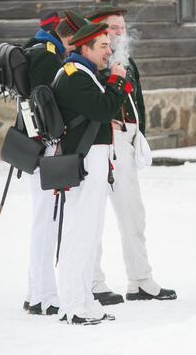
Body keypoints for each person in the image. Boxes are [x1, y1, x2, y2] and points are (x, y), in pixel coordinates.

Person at [86, 7, 175, 305]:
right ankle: (93, 281)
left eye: (122, 27)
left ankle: (139, 279)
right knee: (93, 215)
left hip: (125, 142)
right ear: (98, 32)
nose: (119, 32)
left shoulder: (128, 62)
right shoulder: (91, 63)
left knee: (133, 214)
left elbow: (138, 102)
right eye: (112, 27)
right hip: (98, 145)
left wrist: (139, 137)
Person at [52, 22, 130, 325]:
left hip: (89, 159)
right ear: (84, 48)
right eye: (102, 46)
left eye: (109, 46)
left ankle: (81, 301)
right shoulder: (75, 76)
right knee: (80, 236)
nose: (108, 51)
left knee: (85, 234)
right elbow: (101, 109)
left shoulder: (81, 74)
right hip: (85, 162)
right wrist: (117, 82)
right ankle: (75, 305)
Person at [22, 11, 88, 316]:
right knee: (45, 222)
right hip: (45, 146)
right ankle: (44, 296)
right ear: (69, 38)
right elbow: (47, 104)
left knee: (42, 219)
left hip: (36, 145)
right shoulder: (48, 58)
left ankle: (35, 289)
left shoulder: (39, 49)